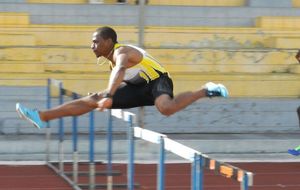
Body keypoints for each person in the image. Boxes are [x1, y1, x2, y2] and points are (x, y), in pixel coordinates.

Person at [16, 26, 228, 129]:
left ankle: (206, 89)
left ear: (109, 41)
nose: (92, 46)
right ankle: (42, 117)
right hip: (137, 88)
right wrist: (102, 95)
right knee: (93, 100)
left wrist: (109, 94)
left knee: (166, 108)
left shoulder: (122, 52)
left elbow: (120, 71)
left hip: (157, 81)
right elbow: (123, 79)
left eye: (96, 41)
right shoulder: (110, 57)